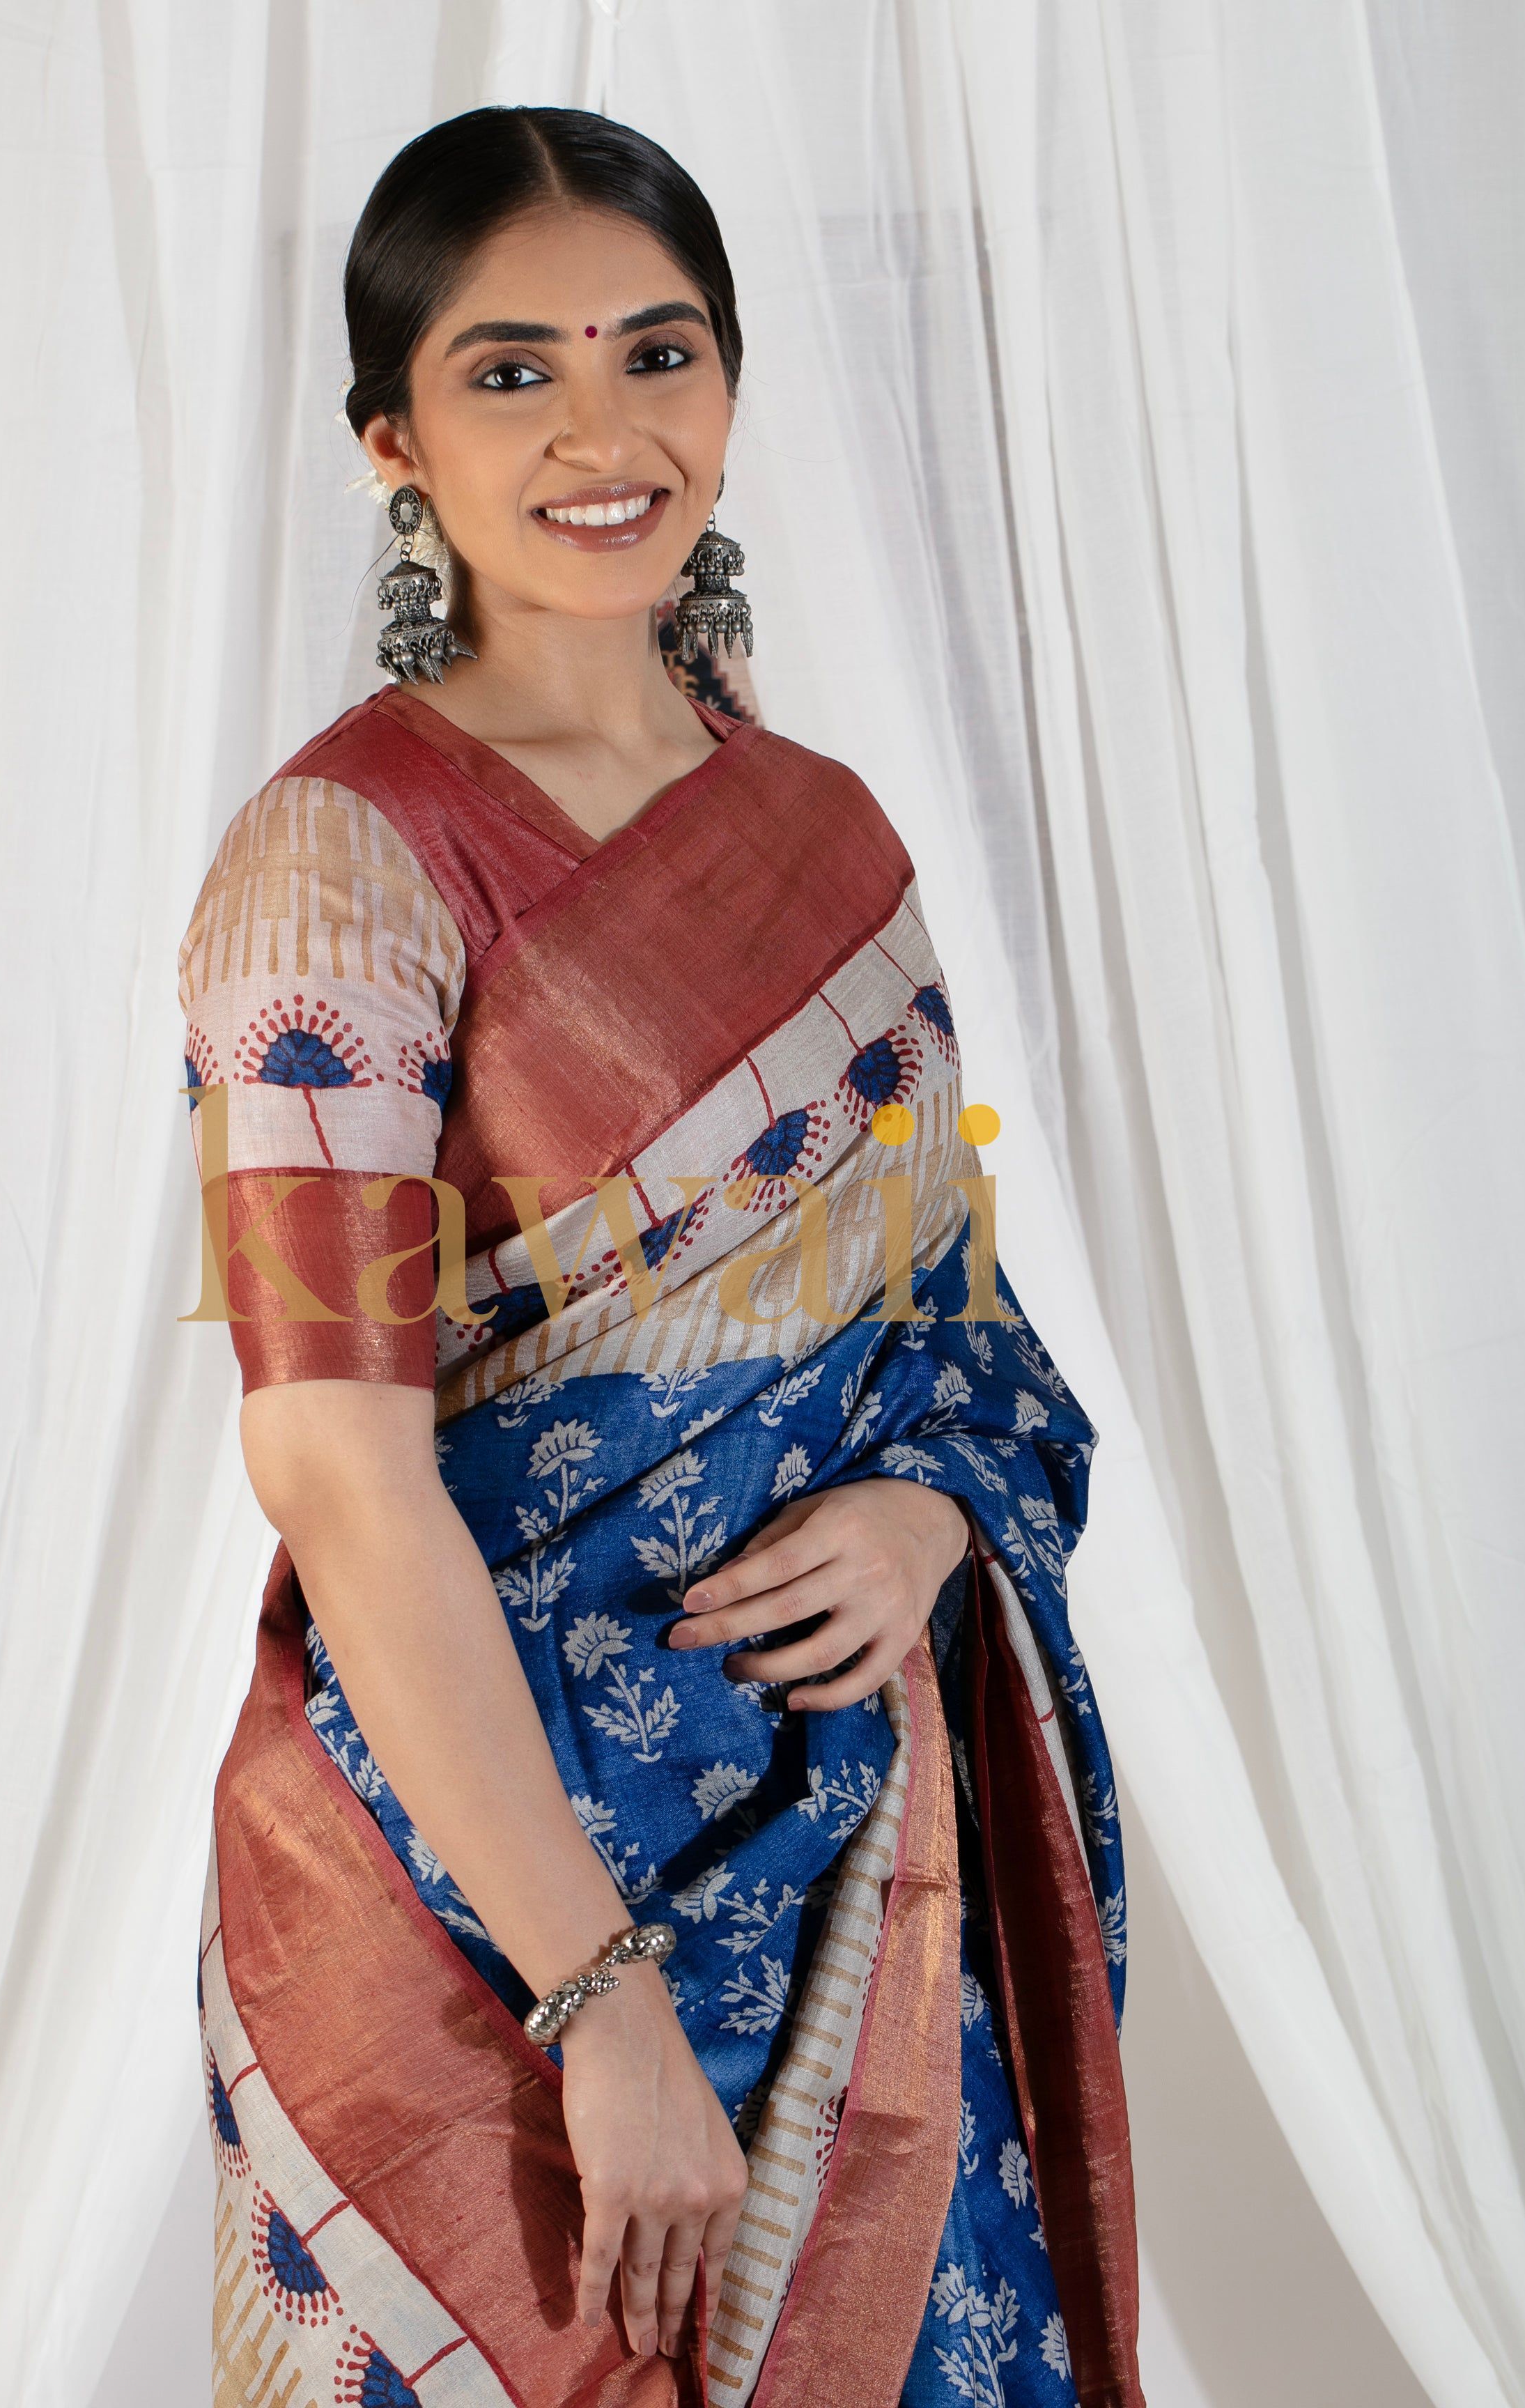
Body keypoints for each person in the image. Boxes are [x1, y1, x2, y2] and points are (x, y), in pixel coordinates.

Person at [178, 105, 1141, 2408]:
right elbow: (335, 1467)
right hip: (474, 1896)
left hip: (853, 1843)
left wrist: (929, 1515)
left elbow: (955, 1334)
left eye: (658, 351)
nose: (604, 431)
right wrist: (594, 2000)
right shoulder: (337, 866)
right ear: (391, 441)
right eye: (513, 373)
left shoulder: (822, 835)